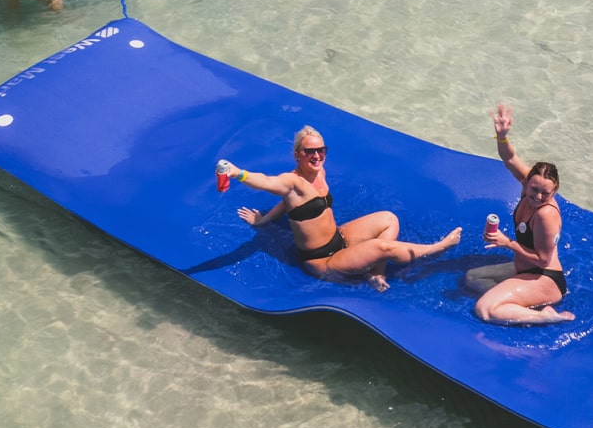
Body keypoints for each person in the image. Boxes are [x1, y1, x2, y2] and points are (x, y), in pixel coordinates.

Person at [222, 125, 462, 292]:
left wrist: (265, 220)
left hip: (340, 238)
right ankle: (436, 248)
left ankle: (376, 273)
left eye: (320, 150)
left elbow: (289, 205)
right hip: (323, 261)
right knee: (383, 246)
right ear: (298, 155)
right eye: (309, 152)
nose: (316, 156)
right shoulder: (292, 181)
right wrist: (236, 172)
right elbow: (265, 181)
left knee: (389, 219)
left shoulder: (319, 172)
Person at [466, 104, 574, 325]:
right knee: (472, 278)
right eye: (534, 189)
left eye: (546, 193)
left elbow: (543, 259)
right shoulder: (528, 184)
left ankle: (544, 315)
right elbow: (510, 158)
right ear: (527, 183)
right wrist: (503, 136)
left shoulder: (546, 215)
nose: (538, 196)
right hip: (524, 269)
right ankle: (512, 299)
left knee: (484, 310)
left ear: (554, 192)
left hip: (545, 278)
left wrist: (508, 244)